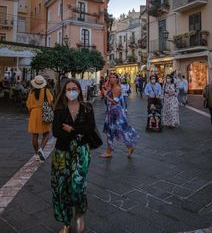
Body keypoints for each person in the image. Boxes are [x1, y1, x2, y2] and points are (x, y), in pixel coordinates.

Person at [51, 78, 96, 233]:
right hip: (62, 154)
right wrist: (79, 130)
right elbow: (56, 132)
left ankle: (79, 215)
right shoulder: (59, 110)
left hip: (81, 153)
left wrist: (72, 129)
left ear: (79, 90)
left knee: (77, 186)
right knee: (61, 189)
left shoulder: (87, 108)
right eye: (68, 89)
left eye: (74, 88)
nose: (71, 91)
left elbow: (90, 129)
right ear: (64, 92)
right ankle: (66, 223)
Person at [100, 73, 137, 158]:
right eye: (110, 77)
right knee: (118, 131)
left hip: (115, 111)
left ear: (117, 79)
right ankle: (129, 147)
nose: (112, 79)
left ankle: (109, 152)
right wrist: (105, 88)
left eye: (113, 77)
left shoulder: (116, 88)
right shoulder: (112, 87)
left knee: (111, 131)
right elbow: (106, 90)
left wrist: (106, 96)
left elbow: (114, 102)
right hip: (112, 111)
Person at [26, 75, 53, 161]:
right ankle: (41, 148)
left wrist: (30, 115)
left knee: (34, 135)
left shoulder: (31, 92)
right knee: (46, 133)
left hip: (34, 114)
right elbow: (51, 102)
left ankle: (36, 153)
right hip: (44, 113)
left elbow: (28, 106)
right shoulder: (46, 91)